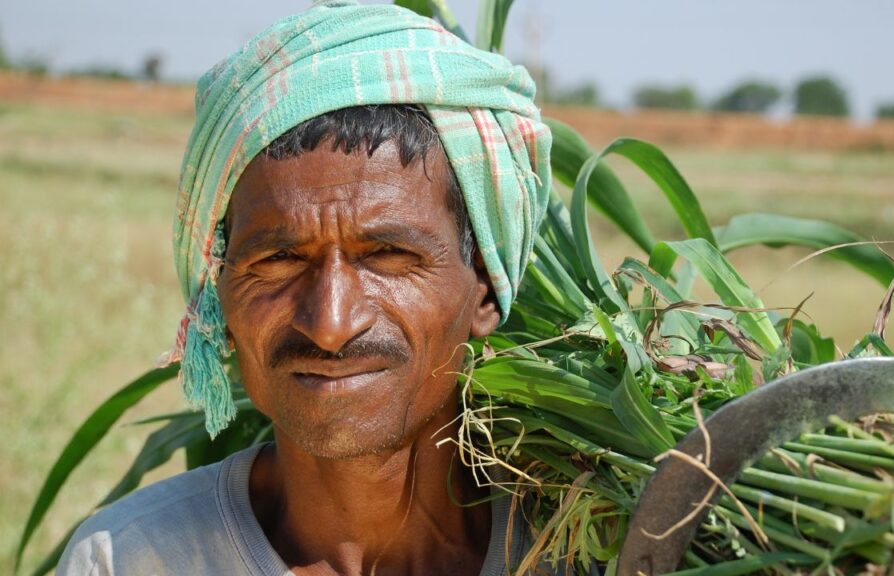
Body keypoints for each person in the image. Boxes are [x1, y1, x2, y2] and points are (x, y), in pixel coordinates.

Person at [57, 2, 551, 574]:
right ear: (219, 297)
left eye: (388, 256)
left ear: (486, 287)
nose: (331, 323)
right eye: (280, 259)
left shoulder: (593, 552)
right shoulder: (130, 559)